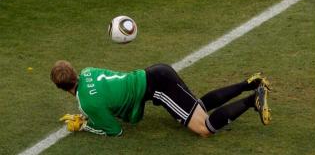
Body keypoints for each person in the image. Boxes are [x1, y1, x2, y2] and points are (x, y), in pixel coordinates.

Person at [51, 60, 270, 137]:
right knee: (198, 108)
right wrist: (90, 115)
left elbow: (115, 131)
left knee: (204, 129)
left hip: (158, 87)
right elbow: (109, 93)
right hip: (155, 73)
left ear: (61, 88)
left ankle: (253, 99)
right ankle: (249, 83)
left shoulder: (88, 104)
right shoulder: (88, 71)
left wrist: (85, 125)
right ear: (74, 71)